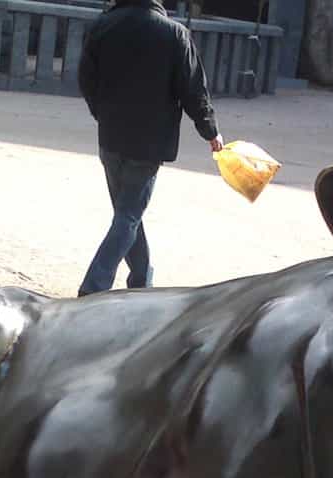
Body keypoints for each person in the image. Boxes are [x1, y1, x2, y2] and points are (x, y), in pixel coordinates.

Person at [77, 0, 223, 296]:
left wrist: (101, 113)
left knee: (126, 213)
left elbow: (86, 79)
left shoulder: (102, 26)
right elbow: (194, 90)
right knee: (129, 215)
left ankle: (142, 279)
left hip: (111, 135)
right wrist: (210, 131)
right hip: (150, 141)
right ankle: (93, 287)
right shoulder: (174, 34)